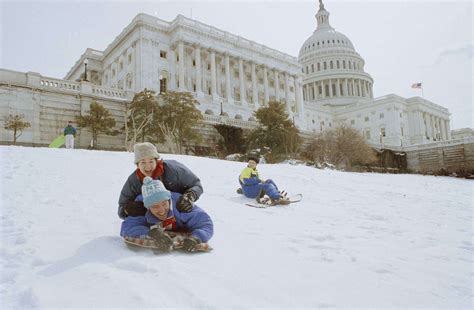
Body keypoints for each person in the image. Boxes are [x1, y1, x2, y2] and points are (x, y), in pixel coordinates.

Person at [120, 177, 213, 252]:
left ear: (169, 200)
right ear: (148, 207)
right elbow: (127, 227)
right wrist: (152, 233)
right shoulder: (140, 208)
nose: (161, 210)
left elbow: (205, 223)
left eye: (164, 204)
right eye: (155, 206)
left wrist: (196, 238)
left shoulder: (181, 205)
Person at [118, 142, 203, 219]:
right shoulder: (134, 181)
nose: (148, 167)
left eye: (151, 161)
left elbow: (196, 185)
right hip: (153, 217)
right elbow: (121, 208)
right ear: (137, 165)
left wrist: (189, 196)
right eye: (143, 162)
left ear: (156, 161)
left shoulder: (174, 170)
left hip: (178, 211)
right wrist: (127, 209)